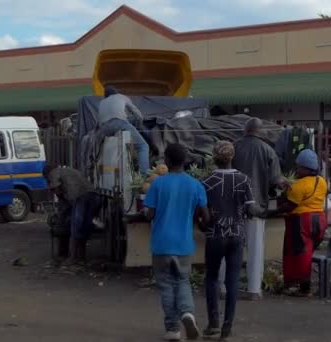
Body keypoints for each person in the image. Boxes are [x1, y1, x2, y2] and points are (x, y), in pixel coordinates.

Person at [143, 143, 210, 341]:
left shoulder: (158, 184)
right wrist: (196, 220)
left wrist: (147, 212)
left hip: (161, 244)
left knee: (165, 285)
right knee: (182, 281)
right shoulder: (195, 184)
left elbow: (149, 214)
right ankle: (187, 313)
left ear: (167, 161)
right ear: (185, 161)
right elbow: (206, 217)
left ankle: (173, 329)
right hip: (183, 244)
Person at [201, 141, 255, 341]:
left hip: (214, 235)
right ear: (232, 157)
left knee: (212, 277)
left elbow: (201, 211)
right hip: (237, 235)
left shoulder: (206, 181)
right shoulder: (244, 179)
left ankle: (213, 323)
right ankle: (227, 328)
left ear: (214, 158)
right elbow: (250, 209)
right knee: (232, 280)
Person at [233, 117, 285, 300]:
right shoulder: (268, 150)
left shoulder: (234, 147)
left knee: (229, 248)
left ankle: (224, 289)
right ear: (260, 131)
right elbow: (276, 180)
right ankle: (254, 290)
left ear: (245, 129)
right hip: (257, 206)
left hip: (234, 207)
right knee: (255, 249)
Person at [266, 149, 328, 296]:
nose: (297, 170)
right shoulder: (322, 182)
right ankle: (300, 285)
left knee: (299, 254)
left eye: (299, 167)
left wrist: (270, 212)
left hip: (302, 221)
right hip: (319, 220)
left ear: (306, 168)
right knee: (307, 252)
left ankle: (304, 288)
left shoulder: (298, 186)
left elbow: (290, 205)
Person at [43, 165, 100, 264]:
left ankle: (72, 257)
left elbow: (57, 189)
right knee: (84, 227)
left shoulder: (53, 173)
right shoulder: (69, 170)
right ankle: (81, 256)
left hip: (80, 197)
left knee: (75, 226)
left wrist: (61, 210)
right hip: (93, 195)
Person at [95, 86, 150, 174]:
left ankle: (109, 170)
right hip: (119, 123)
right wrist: (139, 126)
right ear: (116, 92)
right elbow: (138, 114)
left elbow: (99, 121)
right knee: (143, 146)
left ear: (105, 95)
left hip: (104, 129)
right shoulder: (121, 96)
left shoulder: (102, 102)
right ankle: (145, 175)